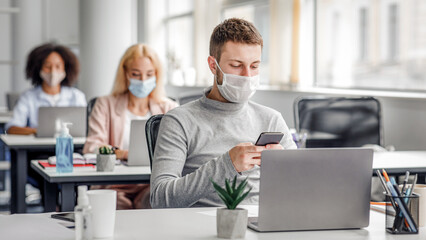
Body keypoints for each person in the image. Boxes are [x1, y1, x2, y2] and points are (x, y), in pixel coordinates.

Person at [150, 18, 297, 208]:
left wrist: (283, 167)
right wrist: (227, 165)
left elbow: (302, 187)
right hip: (206, 228)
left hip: (265, 224)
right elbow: (161, 199)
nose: (247, 76)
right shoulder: (179, 121)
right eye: (236, 65)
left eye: (254, 66)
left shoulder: (271, 119)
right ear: (213, 65)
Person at [83, 43, 178, 209]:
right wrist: (124, 154)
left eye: (149, 74)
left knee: (154, 202)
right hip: (112, 184)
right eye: (136, 74)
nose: (143, 80)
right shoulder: (104, 104)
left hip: (151, 183)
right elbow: (92, 147)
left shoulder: (169, 108)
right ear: (125, 74)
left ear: (157, 75)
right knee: (117, 207)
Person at [6, 43, 87, 134]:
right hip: (37, 147)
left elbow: (86, 127)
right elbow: (11, 128)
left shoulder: (77, 96)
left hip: (72, 146)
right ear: (38, 68)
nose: (53, 72)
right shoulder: (28, 97)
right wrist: (38, 132)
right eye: (47, 66)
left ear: (66, 69)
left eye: (58, 66)